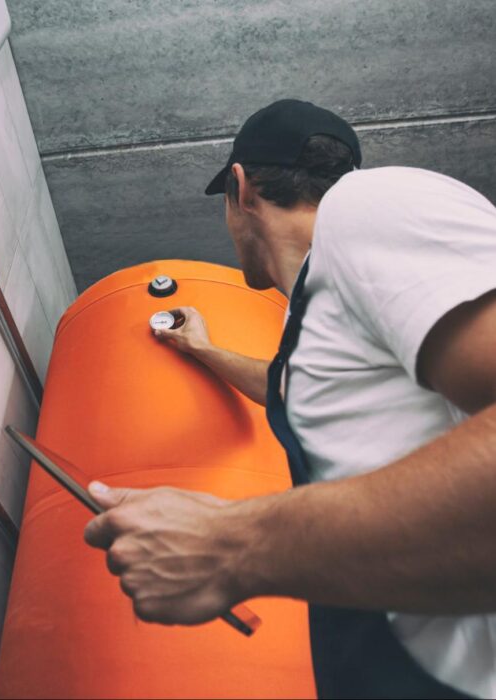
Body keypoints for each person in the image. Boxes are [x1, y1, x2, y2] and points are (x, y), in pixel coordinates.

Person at [83, 99, 496, 698]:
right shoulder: (318, 309)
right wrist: (203, 349)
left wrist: (230, 542)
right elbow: (287, 385)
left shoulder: (364, 205)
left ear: (241, 187)